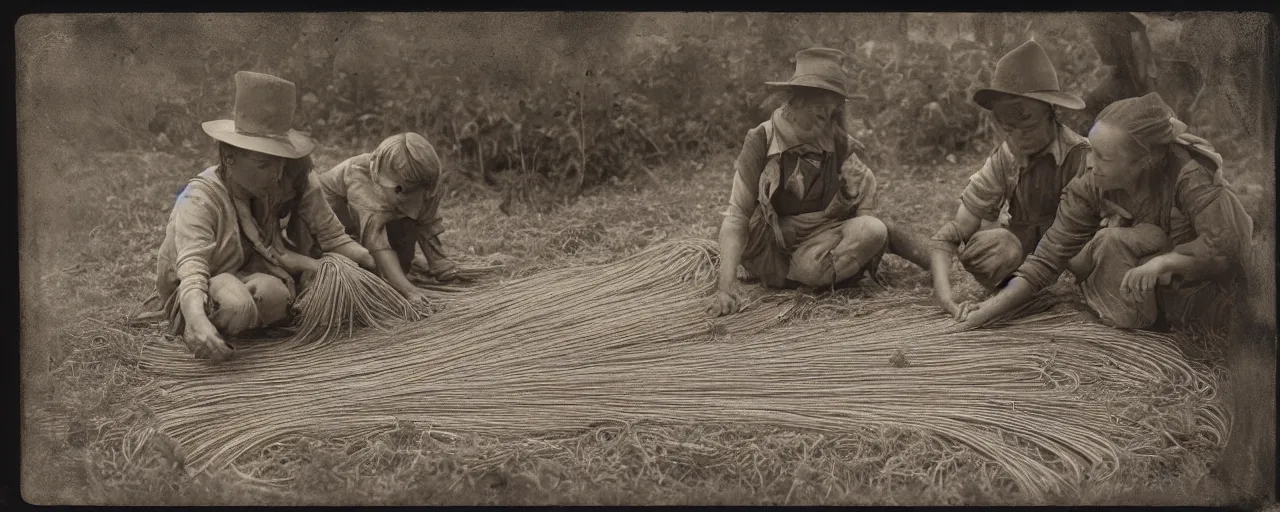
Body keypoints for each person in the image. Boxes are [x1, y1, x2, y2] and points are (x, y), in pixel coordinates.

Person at [952, 93, 1254, 332]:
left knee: (1230, 315)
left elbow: (1224, 246)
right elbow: (1046, 260)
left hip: (1213, 274)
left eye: (1104, 157)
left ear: (1144, 162)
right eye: (1092, 151)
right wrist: (989, 310)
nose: (1091, 163)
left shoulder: (1188, 176)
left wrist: (1164, 262)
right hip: (1153, 277)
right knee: (1112, 244)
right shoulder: (1092, 184)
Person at [154, 71, 376, 362]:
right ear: (229, 158)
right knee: (236, 305)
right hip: (192, 290)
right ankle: (204, 330)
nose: (276, 174)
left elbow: (322, 239)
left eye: (280, 164)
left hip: (241, 272)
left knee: (276, 296)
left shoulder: (269, 186)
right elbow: (192, 269)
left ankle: (239, 321)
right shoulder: (197, 198)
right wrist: (195, 318)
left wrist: (372, 268)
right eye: (263, 164)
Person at [891, 40, 1091, 320]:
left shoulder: (1082, 156)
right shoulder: (1005, 158)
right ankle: (1018, 295)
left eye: (1028, 124)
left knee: (1091, 252)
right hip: (1024, 254)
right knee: (995, 246)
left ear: (1051, 112)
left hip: (1072, 248)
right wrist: (944, 295)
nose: (1019, 137)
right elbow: (952, 234)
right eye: (1009, 128)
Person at [710, 47, 888, 316]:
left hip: (819, 241)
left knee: (873, 230)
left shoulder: (836, 142)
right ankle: (801, 276)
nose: (826, 123)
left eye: (833, 114)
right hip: (771, 245)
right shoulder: (762, 140)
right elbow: (737, 218)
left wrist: (852, 200)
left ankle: (812, 276)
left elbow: (864, 198)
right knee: (809, 267)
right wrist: (726, 287)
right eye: (821, 114)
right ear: (799, 101)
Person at [290, 132, 465, 306]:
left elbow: (426, 221)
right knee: (347, 276)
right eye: (403, 193)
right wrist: (410, 292)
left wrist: (442, 266)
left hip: (374, 223)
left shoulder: (424, 182)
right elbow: (376, 243)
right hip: (322, 233)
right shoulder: (360, 177)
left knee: (401, 267)